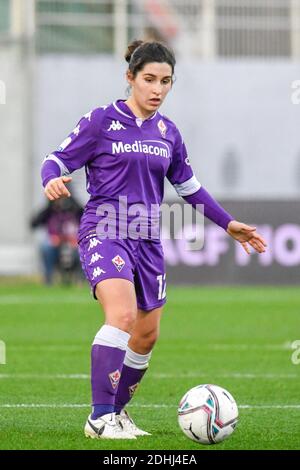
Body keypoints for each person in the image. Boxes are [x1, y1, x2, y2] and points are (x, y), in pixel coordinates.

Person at [41, 40, 267, 440]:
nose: (157, 89)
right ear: (130, 78)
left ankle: (118, 414)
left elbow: (190, 188)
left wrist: (227, 223)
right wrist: (51, 179)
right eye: (148, 79)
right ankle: (99, 417)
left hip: (147, 240)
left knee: (146, 335)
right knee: (123, 317)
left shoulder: (168, 132)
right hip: (105, 230)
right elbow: (56, 159)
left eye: (166, 81)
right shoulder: (101, 121)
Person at [31, 196, 83, 284]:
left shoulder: (75, 208)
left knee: (83, 248)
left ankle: (82, 279)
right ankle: (49, 278)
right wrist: (49, 208)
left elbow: (85, 218)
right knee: (45, 246)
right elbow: (34, 224)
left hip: (74, 242)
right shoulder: (49, 210)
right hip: (55, 243)